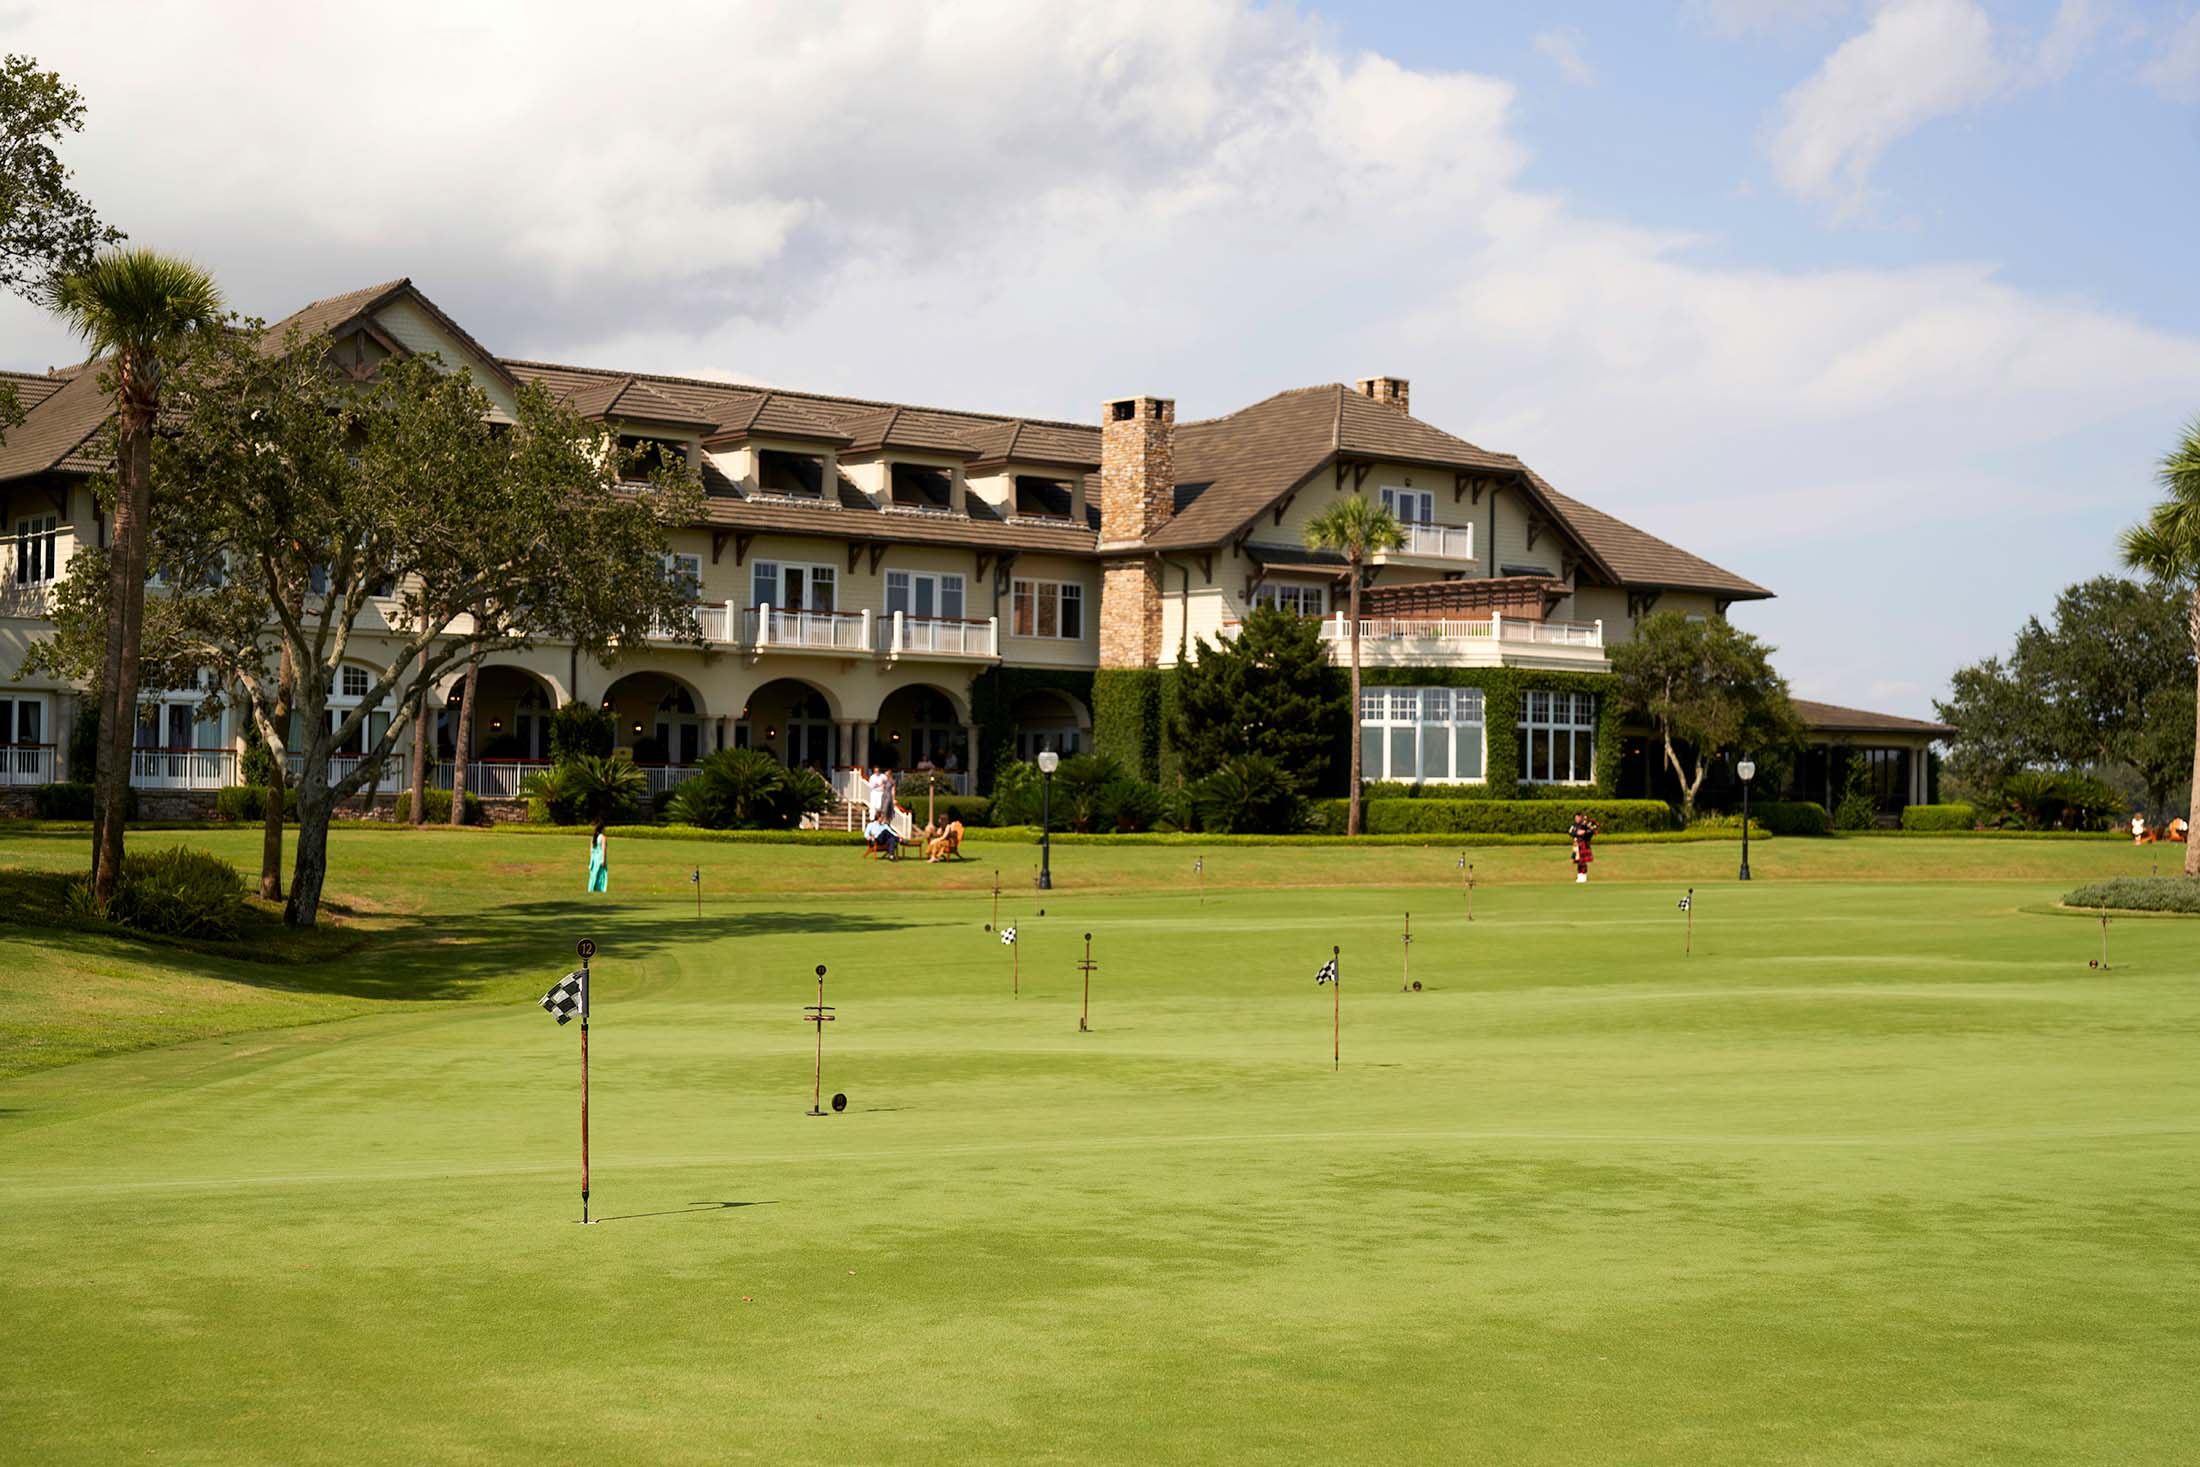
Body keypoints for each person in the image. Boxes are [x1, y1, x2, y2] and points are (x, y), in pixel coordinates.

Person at [1567, 811, 1598, 884]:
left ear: (1581, 817)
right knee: (1578, 861)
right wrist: (1577, 832)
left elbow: (1591, 831)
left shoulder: (1586, 825)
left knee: (1583, 861)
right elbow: (1571, 832)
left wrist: (1584, 832)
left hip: (1584, 843)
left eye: (1578, 817)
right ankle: (1579, 875)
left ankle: (1584, 876)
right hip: (1577, 844)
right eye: (1576, 817)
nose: (1577, 819)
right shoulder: (1573, 825)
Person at [586, 821, 609, 893]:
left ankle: (591, 889)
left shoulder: (593, 838)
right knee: (602, 875)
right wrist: (604, 860)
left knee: (593, 875)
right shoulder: (603, 838)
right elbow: (603, 850)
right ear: (602, 829)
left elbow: (591, 850)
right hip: (600, 859)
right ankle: (600, 889)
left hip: (594, 859)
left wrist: (591, 861)